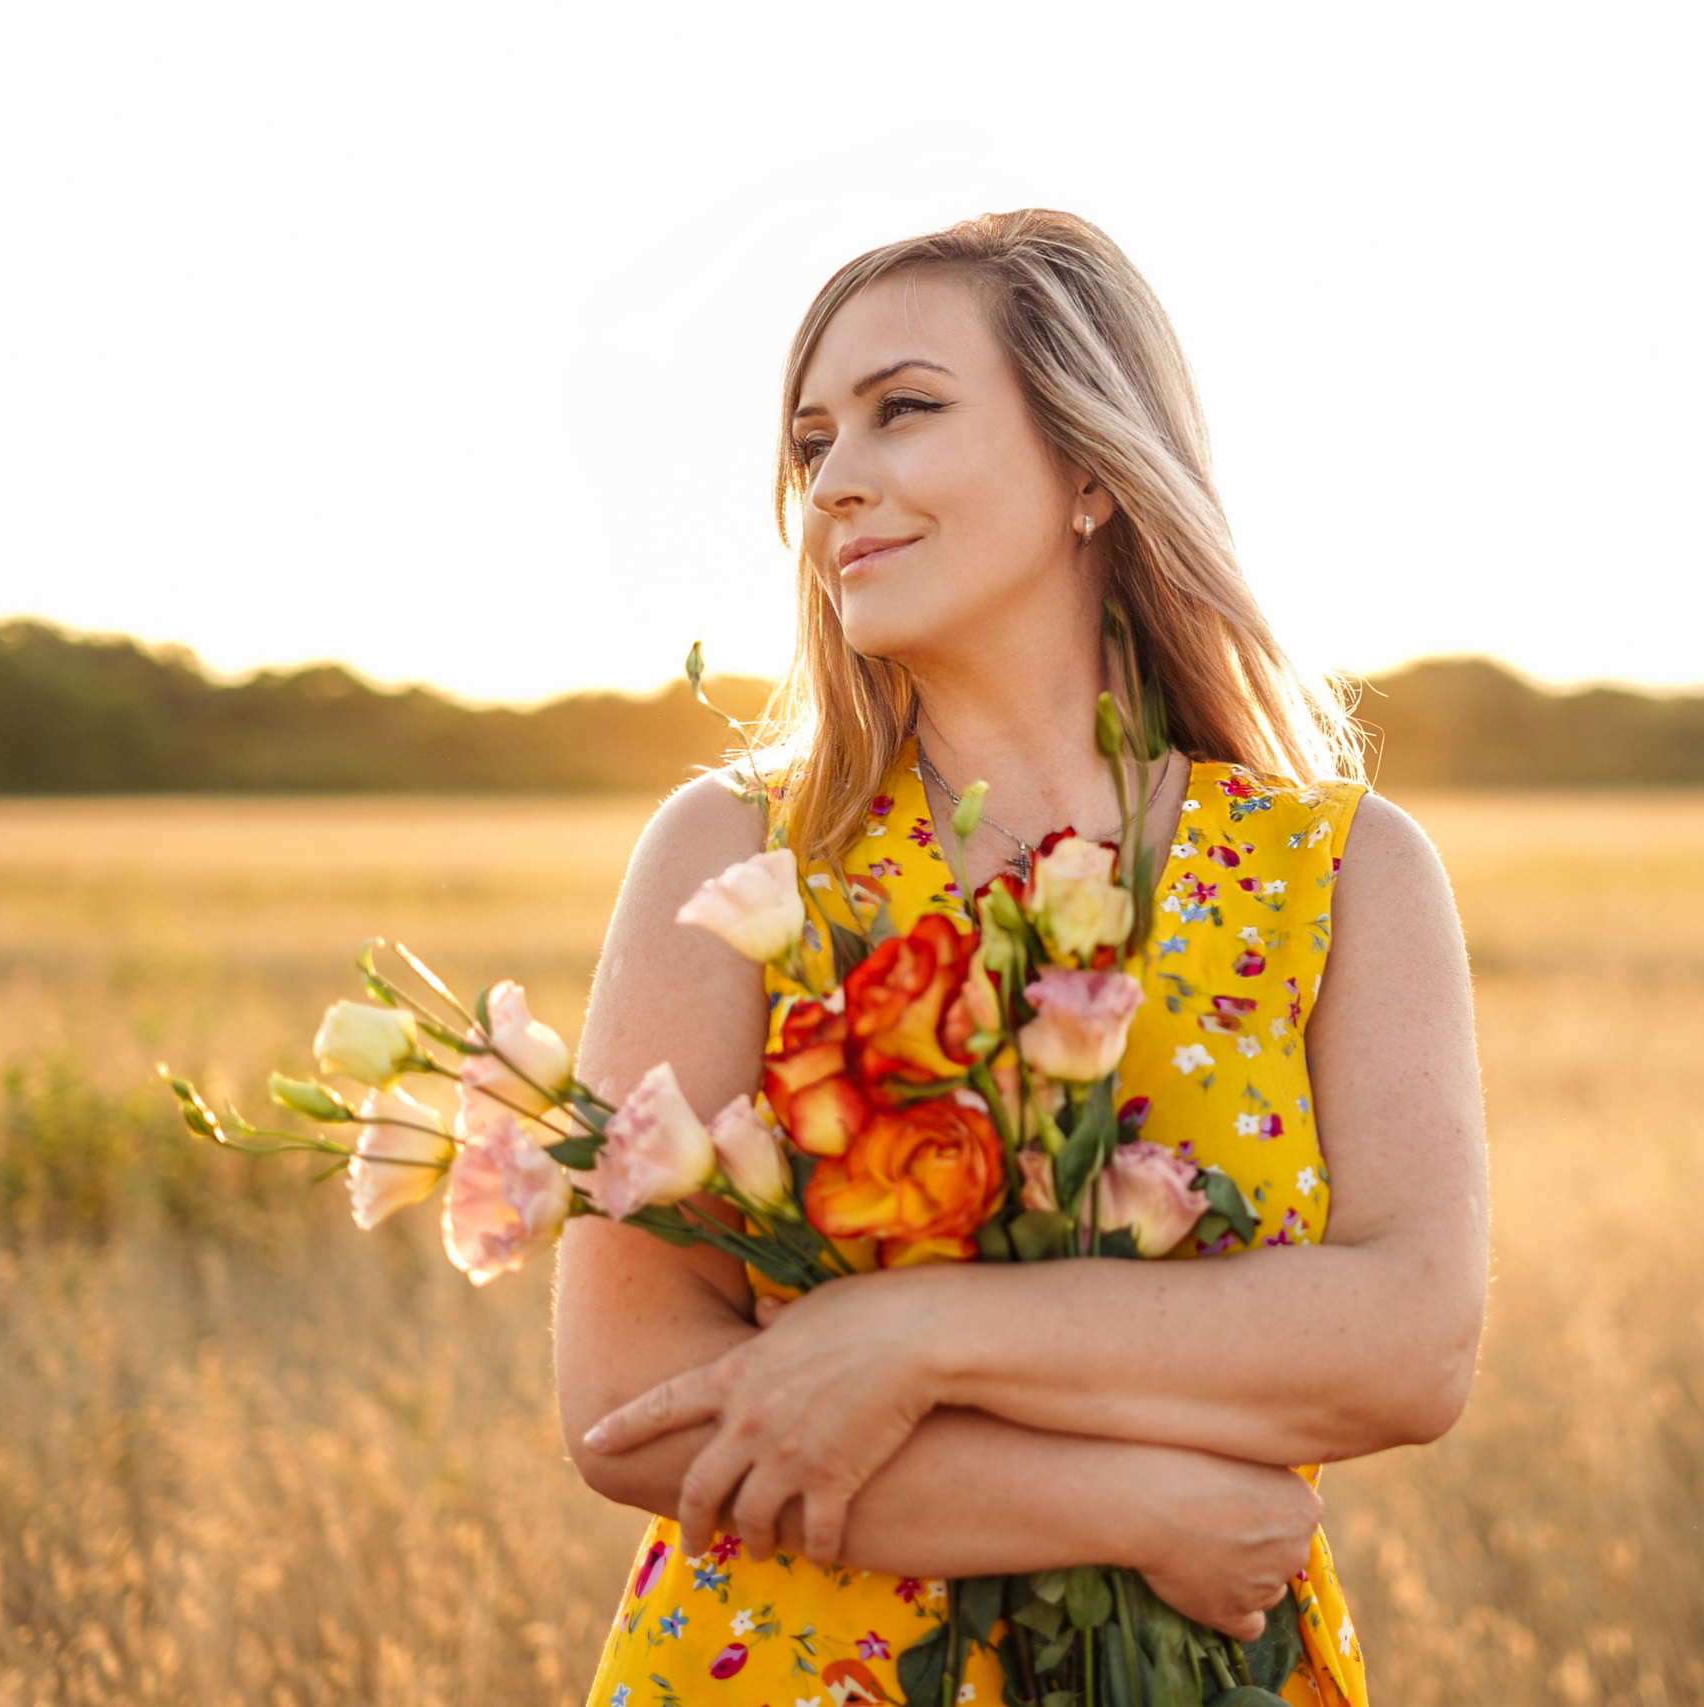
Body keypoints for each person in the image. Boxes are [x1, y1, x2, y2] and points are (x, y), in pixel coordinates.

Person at [554, 210, 1487, 1707]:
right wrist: (1135, 1508)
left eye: (904, 409)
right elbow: (629, 1402)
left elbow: (1411, 1347)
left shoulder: (1340, 870)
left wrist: (913, 1335)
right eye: (811, 444)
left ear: (1094, 468)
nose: (832, 484)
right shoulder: (737, 855)